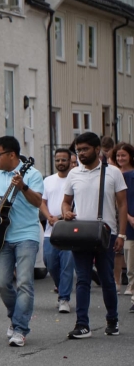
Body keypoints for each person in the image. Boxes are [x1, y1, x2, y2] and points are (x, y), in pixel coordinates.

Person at [61, 132, 127, 339]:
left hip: (106, 233)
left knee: (107, 278)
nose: (80, 153)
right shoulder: (74, 174)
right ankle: (82, 324)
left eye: (84, 149)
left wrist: (122, 235)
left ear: (97, 149)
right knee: (82, 278)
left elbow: (122, 204)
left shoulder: (113, 172)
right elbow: (65, 202)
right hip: (80, 233)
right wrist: (65, 212)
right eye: (78, 150)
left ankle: (112, 320)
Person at [0, 136, 44, 347]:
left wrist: (23, 187)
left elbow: (38, 202)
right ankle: (16, 316)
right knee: (2, 283)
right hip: (0, 236)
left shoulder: (32, 173)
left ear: (11, 155)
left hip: (26, 235)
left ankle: (20, 328)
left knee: (24, 282)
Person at [40, 148, 76, 314]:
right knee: (50, 263)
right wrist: (49, 217)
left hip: (70, 229)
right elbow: (42, 202)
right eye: (58, 160)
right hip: (50, 230)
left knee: (67, 265)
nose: (60, 163)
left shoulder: (75, 179)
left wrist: (62, 218)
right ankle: (61, 288)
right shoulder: (48, 180)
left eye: (63, 160)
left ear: (70, 161)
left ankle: (64, 298)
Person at [112, 143, 134, 293]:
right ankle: (130, 285)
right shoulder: (114, 175)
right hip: (124, 221)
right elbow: (116, 201)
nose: (120, 158)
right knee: (129, 255)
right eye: (118, 156)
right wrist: (128, 218)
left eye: (123, 155)